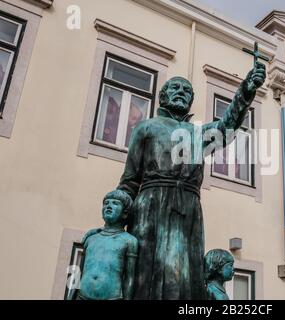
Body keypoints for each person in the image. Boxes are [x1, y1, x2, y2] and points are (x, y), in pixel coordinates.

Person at [117, 61, 266, 299]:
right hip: (150, 205)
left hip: (188, 208)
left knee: (184, 273)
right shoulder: (146, 128)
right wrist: (116, 215)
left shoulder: (198, 133)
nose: (180, 92)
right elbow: (130, 180)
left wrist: (247, 90)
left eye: (186, 90)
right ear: (163, 96)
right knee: (146, 270)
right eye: (175, 88)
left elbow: (227, 126)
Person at [71, 190, 138, 300]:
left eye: (115, 203)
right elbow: (77, 271)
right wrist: (70, 295)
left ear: (125, 213)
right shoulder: (91, 238)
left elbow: (130, 279)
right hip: (82, 296)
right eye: (106, 203)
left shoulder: (129, 241)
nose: (109, 206)